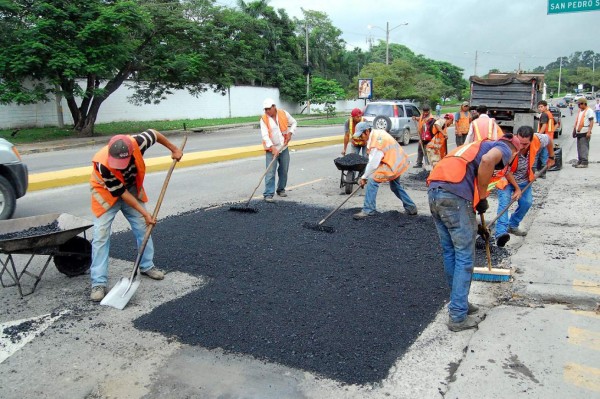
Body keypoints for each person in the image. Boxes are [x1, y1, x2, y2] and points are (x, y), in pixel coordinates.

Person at [426, 134, 521, 331]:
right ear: (514, 150)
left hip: (435, 191)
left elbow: (461, 192)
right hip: (454, 195)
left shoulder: (474, 146)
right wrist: (484, 196)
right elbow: (487, 162)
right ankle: (458, 316)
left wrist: (477, 227)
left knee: (451, 251)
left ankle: (459, 303)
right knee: (464, 256)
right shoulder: (503, 147)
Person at [89, 130, 184, 302]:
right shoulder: (102, 164)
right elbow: (121, 193)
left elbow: (155, 134)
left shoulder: (139, 142)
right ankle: (98, 282)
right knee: (101, 236)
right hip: (106, 194)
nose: (119, 165)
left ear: (132, 151)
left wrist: (174, 149)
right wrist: (146, 213)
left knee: (143, 227)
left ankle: (147, 266)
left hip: (131, 188)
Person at [494, 126, 555, 247]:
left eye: (525, 144)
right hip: (505, 179)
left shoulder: (538, 139)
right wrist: (517, 189)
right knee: (504, 204)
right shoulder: (508, 146)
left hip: (524, 179)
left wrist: (551, 157)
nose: (521, 146)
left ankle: (512, 225)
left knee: (526, 203)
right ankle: (501, 234)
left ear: (531, 140)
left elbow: (549, 139)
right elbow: (507, 171)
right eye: (520, 143)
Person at [351, 122, 417, 219]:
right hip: (398, 161)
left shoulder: (377, 142)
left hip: (392, 163)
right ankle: (411, 207)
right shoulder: (377, 134)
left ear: (367, 131)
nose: (360, 138)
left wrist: (364, 177)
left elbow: (373, 164)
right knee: (395, 186)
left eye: (361, 135)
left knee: (372, 180)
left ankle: (368, 210)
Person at [260, 98, 298, 201]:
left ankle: (281, 189)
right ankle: (268, 193)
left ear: (274, 107)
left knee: (284, 169)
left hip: (283, 147)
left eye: (269, 109)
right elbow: (265, 135)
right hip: (271, 148)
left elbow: (294, 122)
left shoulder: (283, 113)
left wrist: (290, 133)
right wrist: (272, 148)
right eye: (265, 109)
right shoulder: (264, 119)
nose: (267, 111)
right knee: (270, 171)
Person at [534, 100, 555, 178]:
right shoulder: (550, 114)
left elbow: (543, 126)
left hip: (543, 138)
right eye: (539, 107)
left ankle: (536, 173)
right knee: (544, 155)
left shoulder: (544, 115)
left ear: (546, 106)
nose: (540, 108)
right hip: (549, 138)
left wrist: (538, 135)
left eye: (541, 107)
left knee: (537, 155)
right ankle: (543, 173)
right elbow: (556, 124)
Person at [572, 97, 594, 168]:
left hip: (585, 131)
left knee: (584, 147)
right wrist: (574, 131)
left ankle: (584, 162)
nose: (579, 106)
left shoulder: (589, 111)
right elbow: (577, 121)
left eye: (580, 104)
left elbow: (591, 121)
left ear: (584, 104)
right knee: (579, 147)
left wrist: (589, 131)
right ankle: (580, 160)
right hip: (579, 132)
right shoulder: (580, 111)